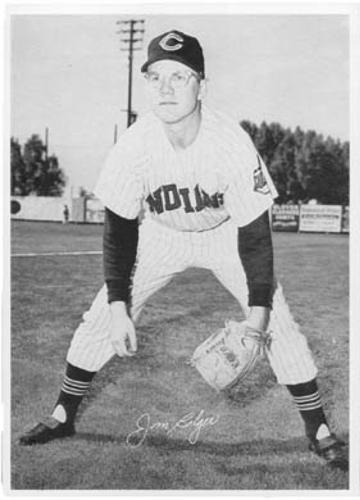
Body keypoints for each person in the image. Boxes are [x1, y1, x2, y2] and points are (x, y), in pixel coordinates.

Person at [19, 30, 348, 471]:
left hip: (225, 234)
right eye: (157, 78)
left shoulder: (230, 142)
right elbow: (119, 231)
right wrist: (120, 307)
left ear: (202, 86)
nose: (167, 88)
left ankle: (319, 429)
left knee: (278, 323)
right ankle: (62, 414)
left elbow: (255, 236)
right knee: (102, 317)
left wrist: (257, 316)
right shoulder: (134, 145)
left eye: (180, 76)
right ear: (148, 84)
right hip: (163, 234)